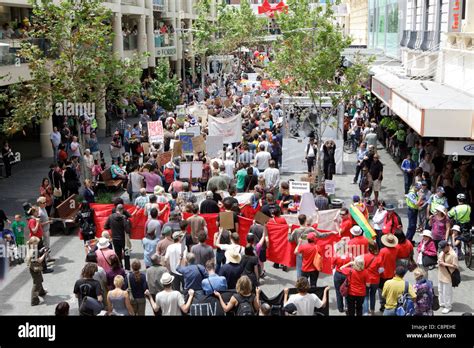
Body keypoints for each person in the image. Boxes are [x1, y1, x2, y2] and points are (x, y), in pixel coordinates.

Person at [378, 233, 398, 311]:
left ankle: (383, 304)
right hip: (392, 272)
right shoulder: (396, 249)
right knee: (390, 289)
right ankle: (389, 303)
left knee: (381, 289)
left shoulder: (382, 251)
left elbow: (379, 262)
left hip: (383, 274)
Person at [26, 237, 49, 306]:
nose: (38, 244)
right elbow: (39, 260)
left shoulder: (30, 247)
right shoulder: (33, 251)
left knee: (39, 280)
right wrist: (45, 254)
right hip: (36, 268)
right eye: (37, 243)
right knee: (36, 284)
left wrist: (41, 250)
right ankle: (34, 300)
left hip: (32, 268)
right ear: (33, 243)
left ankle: (42, 292)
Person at [437, 240, 459, 314]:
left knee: (447, 292)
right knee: (440, 290)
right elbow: (440, 259)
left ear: (447, 246)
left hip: (448, 276)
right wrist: (439, 263)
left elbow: (456, 266)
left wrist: (445, 264)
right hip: (441, 274)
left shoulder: (453, 255)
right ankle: (442, 303)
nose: (442, 250)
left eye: (443, 248)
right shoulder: (443, 251)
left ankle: (448, 306)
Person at [362, 243, 383, 316]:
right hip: (375, 280)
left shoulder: (364, 257)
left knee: (365, 296)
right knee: (373, 295)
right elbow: (381, 270)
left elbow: (362, 268)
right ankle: (372, 310)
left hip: (366, 280)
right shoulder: (379, 257)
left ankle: (365, 312)